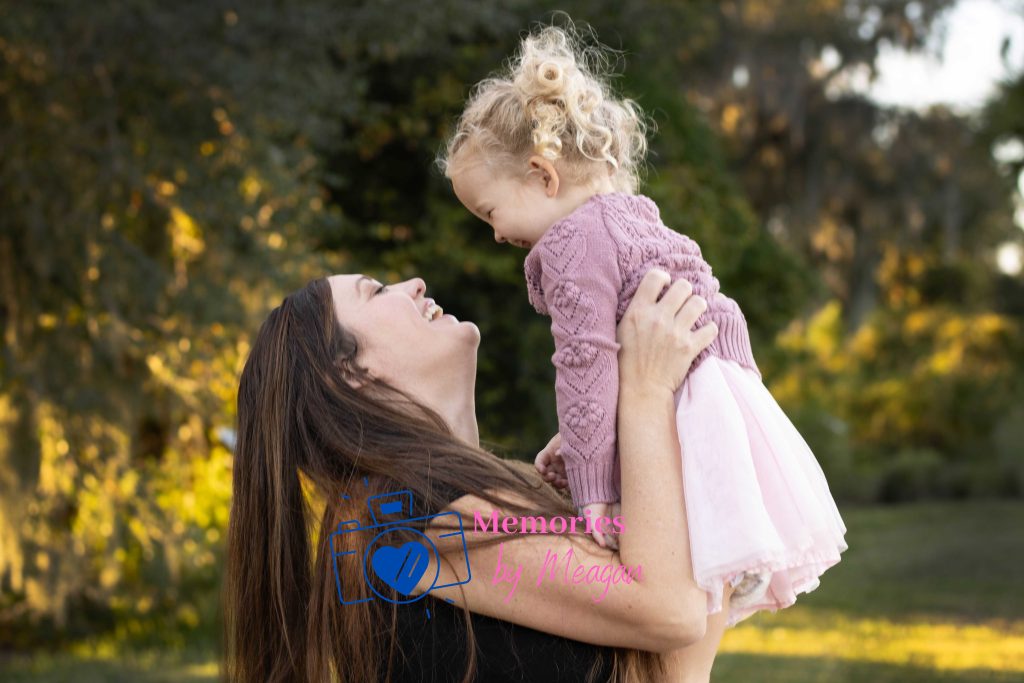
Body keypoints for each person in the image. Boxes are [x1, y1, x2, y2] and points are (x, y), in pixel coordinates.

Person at [438, 21, 849, 635]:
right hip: (719, 394)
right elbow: (722, 312)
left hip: (679, 408)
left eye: (490, 212)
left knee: (663, 586)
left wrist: (593, 487)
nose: (496, 234)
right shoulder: (639, 220)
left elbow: (586, 364)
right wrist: (744, 399)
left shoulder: (572, 246)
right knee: (706, 563)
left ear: (542, 175)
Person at [222, 269, 732, 682]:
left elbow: (671, 655)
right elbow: (673, 614)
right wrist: (645, 393)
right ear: (352, 372)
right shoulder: (413, 514)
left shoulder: (395, 514)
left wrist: (628, 467)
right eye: (376, 291)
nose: (414, 284)